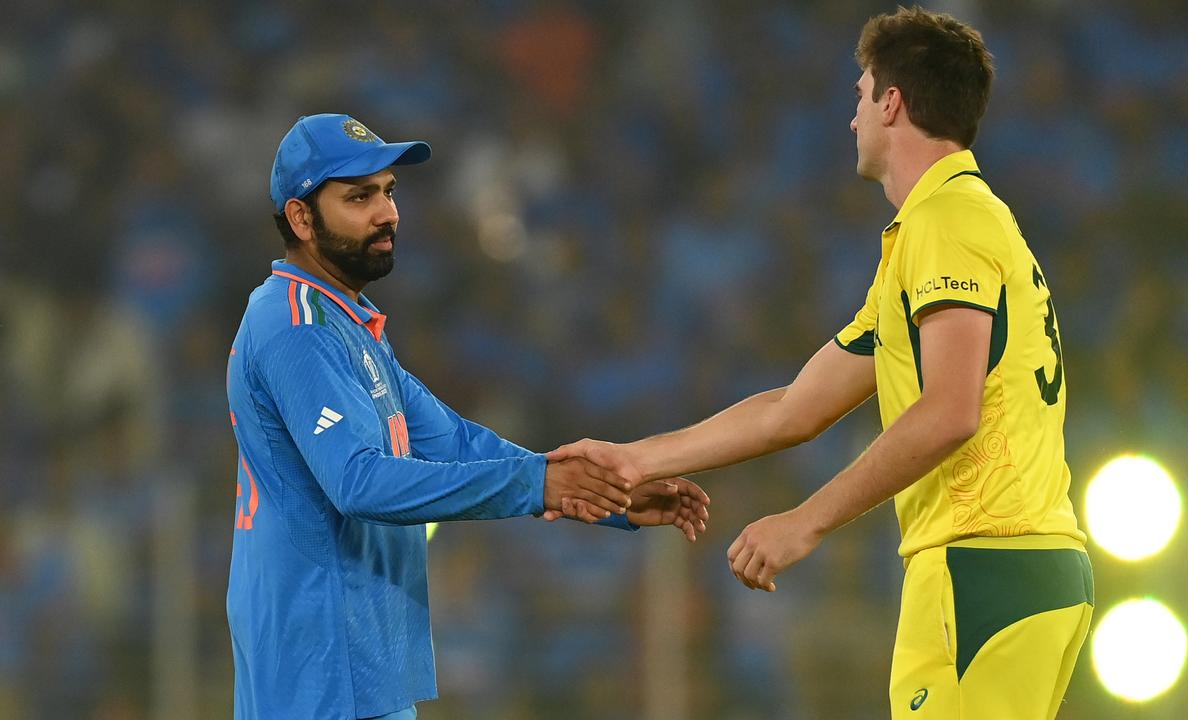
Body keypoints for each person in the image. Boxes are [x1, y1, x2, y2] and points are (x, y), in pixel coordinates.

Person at [550, 7, 1093, 719]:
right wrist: (635, 460)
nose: (852, 119)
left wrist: (804, 520)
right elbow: (792, 410)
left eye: (861, 95)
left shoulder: (948, 223)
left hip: (983, 562)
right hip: (1015, 562)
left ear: (892, 102)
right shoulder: (939, 231)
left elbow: (950, 411)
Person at [225, 113, 710, 720]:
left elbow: (453, 440)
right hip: (315, 667)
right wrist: (539, 484)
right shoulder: (294, 327)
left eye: (389, 192)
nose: (388, 213)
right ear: (301, 218)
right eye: (358, 197)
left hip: (359, 662)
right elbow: (357, 482)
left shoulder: (347, 324)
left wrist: (604, 493)